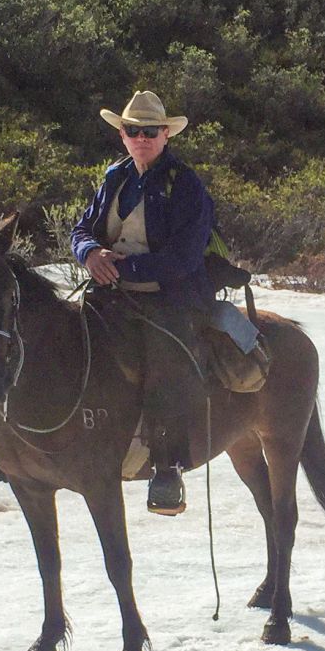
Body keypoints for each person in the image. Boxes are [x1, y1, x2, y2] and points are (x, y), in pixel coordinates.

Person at [69, 90, 220, 516]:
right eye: (133, 130)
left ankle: (167, 466)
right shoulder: (114, 177)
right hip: (113, 293)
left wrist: (125, 271)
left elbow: (186, 256)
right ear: (122, 135)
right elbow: (82, 228)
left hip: (168, 296)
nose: (141, 138)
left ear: (166, 134)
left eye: (149, 131)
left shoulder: (186, 185)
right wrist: (90, 255)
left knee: (163, 361)